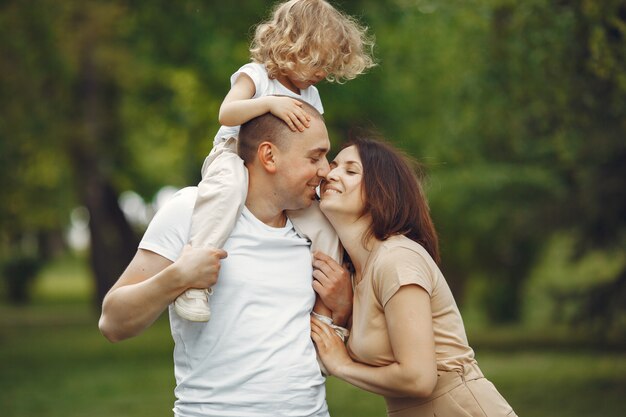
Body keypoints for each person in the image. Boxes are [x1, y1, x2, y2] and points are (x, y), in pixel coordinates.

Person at [98, 103, 353, 417]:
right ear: (269, 156)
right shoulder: (193, 212)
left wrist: (342, 307)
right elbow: (113, 323)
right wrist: (178, 278)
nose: (326, 170)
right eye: (314, 157)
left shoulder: (317, 232)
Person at [177, 0, 375, 322]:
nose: (322, 73)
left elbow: (311, 140)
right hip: (233, 154)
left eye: (328, 66)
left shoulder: (311, 93)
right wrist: (269, 104)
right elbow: (226, 113)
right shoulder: (255, 76)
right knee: (226, 193)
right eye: (317, 62)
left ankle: (325, 315)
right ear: (293, 47)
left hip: (283, 172)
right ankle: (194, 282)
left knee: (324, 225)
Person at [310, 137, 518, 417]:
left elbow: (418, 378)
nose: (330, 174)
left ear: (380, 192)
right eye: (333, 166)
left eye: (350, 171)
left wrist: (342, 365)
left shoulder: (397, 260)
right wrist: (347, 311)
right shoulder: (359, 271)